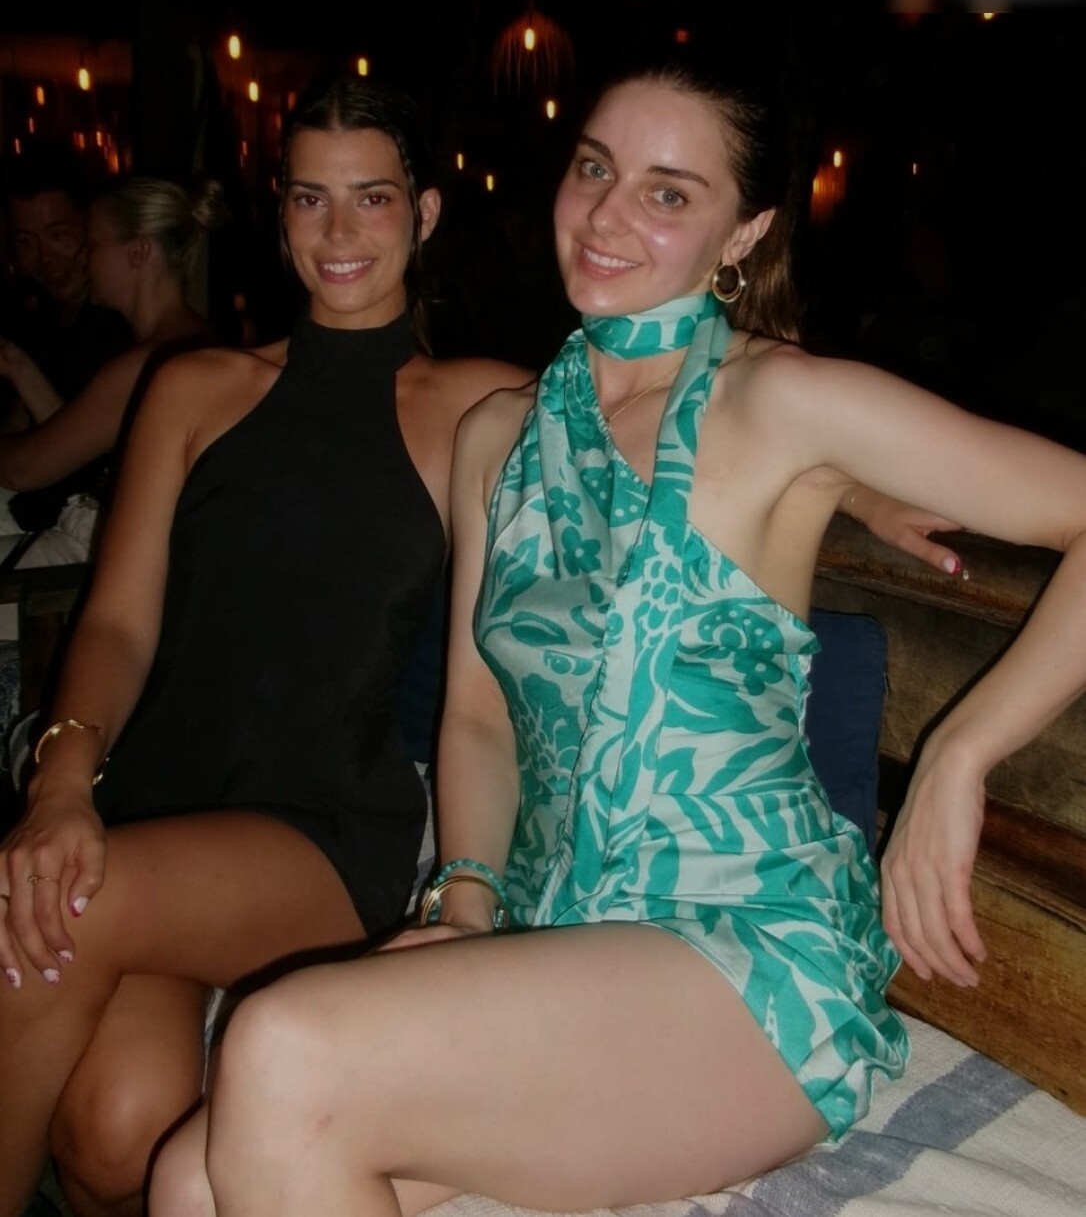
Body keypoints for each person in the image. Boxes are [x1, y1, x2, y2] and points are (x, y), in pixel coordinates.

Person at [147, 59, 1086, 1217]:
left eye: (668, 192)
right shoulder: (497, 435)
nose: (606, 214)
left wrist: (957, 755)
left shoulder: (780, 403)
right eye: (596, 169)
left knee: (280, 1043)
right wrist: (464, 905)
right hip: (557, 936)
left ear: (744, 233)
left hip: (743, 953)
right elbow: (479, 720)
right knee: (188, 1179)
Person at [0, 78, 525, 1217]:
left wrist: (857, 483)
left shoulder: (478, 403)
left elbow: (673, 411)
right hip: (155, 806)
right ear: (278, 211)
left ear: (425, 212)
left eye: (372, 197)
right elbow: (119, 620)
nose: (338, 232)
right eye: (309, 198)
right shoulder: (194, 386)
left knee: (54, 907)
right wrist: (62, 783)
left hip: (323, 831)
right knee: (115, 1133)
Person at [0, 175, 226, 571]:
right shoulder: (201, 342)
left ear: (138, 252)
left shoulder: (147, 364)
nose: (84, 258)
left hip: (129, 558)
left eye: (93, 244)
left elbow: (26, 468)